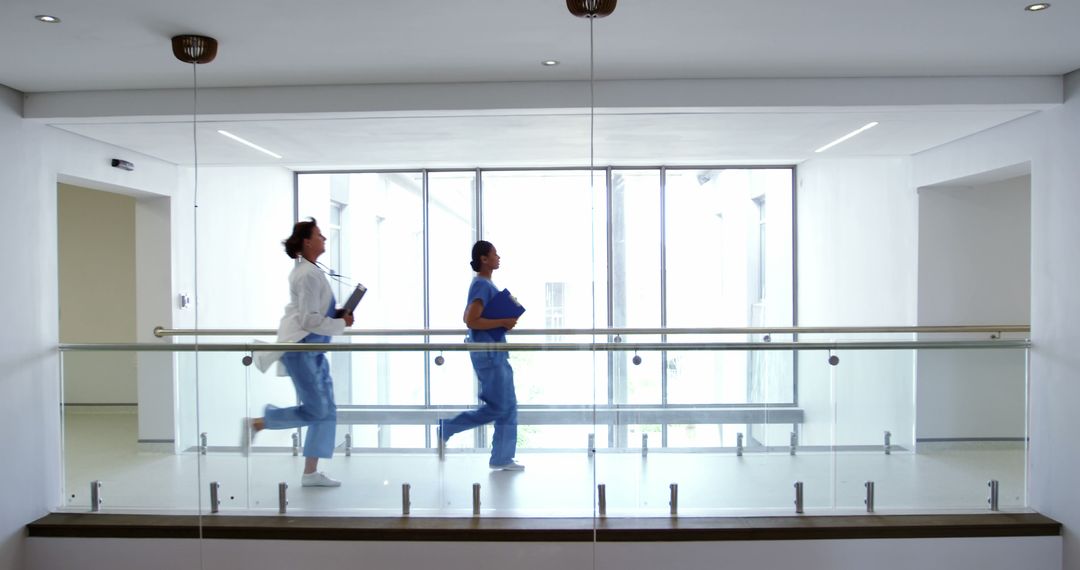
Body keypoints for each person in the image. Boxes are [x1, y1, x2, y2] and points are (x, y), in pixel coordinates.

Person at [247, 218, 353, 487]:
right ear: (307, 241)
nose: (324, 239)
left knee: (327, 409)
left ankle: (310, 472)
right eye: (319, 235)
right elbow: (307, 319)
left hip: (315, 349)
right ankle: (260, 422)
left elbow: (316, 313)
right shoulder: (306, 274)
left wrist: (337, 315)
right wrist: (341, 323)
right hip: (301, 348)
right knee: (318, 409)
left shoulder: (312, 271)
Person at [438, 240, 524, 471]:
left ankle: (502, 457)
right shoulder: (481, 285)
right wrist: (503, 321)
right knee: (499, 406)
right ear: (484, 259)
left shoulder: (486, 285)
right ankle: (448, 428)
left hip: (495, 351)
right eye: (495, 254)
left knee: (509, 404)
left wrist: (502, 323)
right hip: (488, 354)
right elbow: (471, 320)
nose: (499, 257)